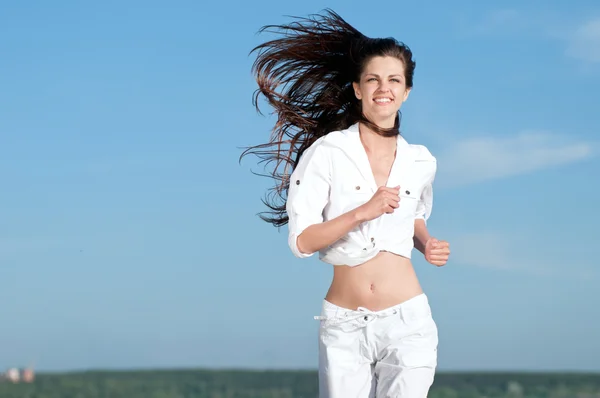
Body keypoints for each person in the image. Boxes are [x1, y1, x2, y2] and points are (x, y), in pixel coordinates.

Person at [241, 9, 451, 398]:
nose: (383, 88)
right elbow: (302, 241)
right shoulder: (328, 152)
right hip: (343, 325)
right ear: (357, 88)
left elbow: (414, 215)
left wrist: (426, 244)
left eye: (394, 80)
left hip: (408, 320)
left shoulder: (422, 160)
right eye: (373, 79)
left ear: (406, 91)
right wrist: (361, 212)